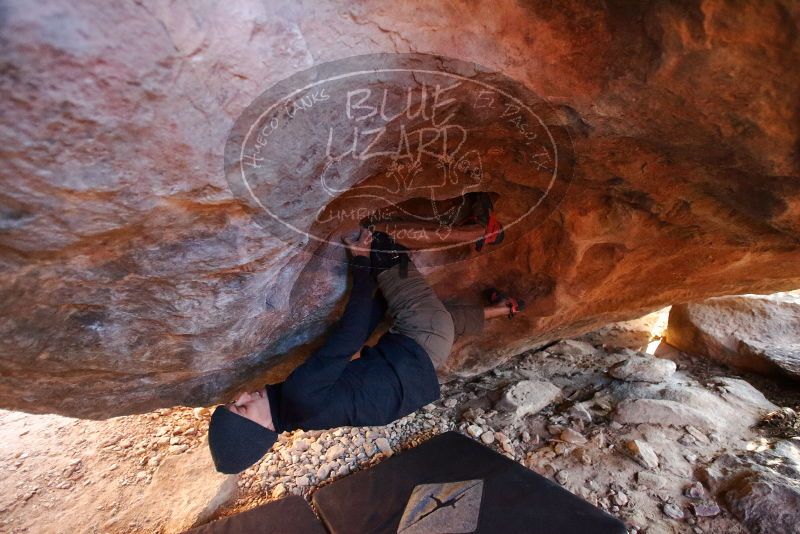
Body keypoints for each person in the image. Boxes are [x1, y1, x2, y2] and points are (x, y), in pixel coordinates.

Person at [207, 228, 524, 474]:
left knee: (440, 319)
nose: (246, 394)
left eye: (236, 401)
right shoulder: (299, 393)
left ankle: (503, 309)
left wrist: (380, 304)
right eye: (243, 408)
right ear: (262, 430)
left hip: (425, 359)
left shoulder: (302, 415)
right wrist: (361, 260)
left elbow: (361, 345)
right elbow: (351, 333)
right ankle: (483, 230)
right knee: (385, 246)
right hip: (420, 338)